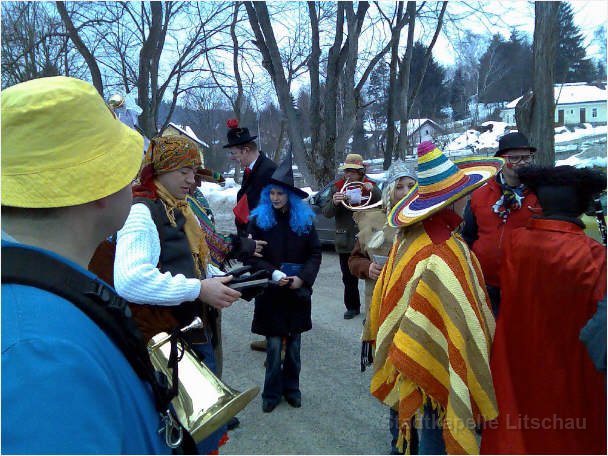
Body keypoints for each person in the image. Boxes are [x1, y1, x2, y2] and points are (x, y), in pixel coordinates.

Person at [1, 76, 168, 453]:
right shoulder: (41, 358)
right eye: (125, 169)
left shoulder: (42, 302)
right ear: (97, 188)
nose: (133, 182)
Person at [365, 141, 503, 454]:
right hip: (424, 360)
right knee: (435, 422)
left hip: (412, 358)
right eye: (463, 194)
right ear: (451, 202)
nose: (468, 198)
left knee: (422, 420)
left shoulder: (412, 236)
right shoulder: (442, 250)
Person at [113, 135, 242, 454]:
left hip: (189, 337)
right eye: (183, 170)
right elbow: (129, 280)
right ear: (161, 170)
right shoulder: (141, 212)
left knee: (200, 432)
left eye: (194, 171)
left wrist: (217, 279)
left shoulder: (180, 210)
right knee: (179, 436)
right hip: (165, 346)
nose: (192, 179)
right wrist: (199, 288)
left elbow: (190, 264)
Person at [480, 165, 607, 455]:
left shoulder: (516, 242)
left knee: (519, 425)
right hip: (572, 365)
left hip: (517, 357)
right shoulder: (595, 256)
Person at [348, 159, 418, 455]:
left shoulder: (425, 220)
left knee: (418, 375)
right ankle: (398, 443)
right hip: (384, 312)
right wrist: (367, 268)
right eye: (399, 186)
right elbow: (353, 262)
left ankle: (420, 440)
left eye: (410, 185)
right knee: (395, 376)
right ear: (390, 191)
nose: (404, 191)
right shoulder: (375, 223)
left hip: (417, 310)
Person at [244, 155, 322, 413]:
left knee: (295, 349)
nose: (275, 197)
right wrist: (274, 274)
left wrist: (303, 279)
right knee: (274, 347)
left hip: (297, 293)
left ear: (290, 195)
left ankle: (292, 389)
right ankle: (271, 393)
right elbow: (253, 258)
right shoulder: (259, 222)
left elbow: (314, 254)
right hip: (271, 292)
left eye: (280, 193)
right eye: (272, 193)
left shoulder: (305, 222)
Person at [461, 132, 541, 315]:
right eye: (514, 158)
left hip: (526, 286)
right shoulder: (480, 194)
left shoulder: (541, 194)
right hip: (485, 285)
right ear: (501, 161)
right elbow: (468, 236)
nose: (521, 162)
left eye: (526, 157)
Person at [224, 117, 277, 353]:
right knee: (262, 290)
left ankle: (280, 343)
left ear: (246, 150)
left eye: (235, 153)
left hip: (266, 240)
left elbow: (274, 208)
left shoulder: (268, 170)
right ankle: (269, 337)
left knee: (272, 290)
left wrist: (257, 238)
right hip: (253, 239)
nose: (233, 157)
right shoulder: (252, 169)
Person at [321, 153, 381, 319]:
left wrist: (373, 191)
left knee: (373, 276)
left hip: (369, 239)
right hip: (345, 239)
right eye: (347, 171)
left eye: (353, 172)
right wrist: (334, 201)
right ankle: (352, 307)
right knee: (348, 278)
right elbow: (326, 213)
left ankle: (374, 310)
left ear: (361, 172)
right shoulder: (337, 187)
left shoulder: (371, 186)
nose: (348, 175)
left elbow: (383, 205)